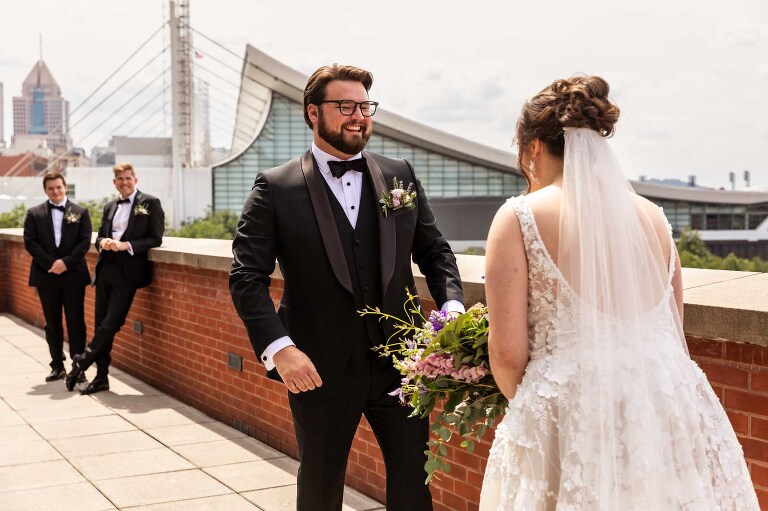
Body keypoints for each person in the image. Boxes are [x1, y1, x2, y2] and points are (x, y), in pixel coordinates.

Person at [479, 76, 759, 510]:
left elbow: (508, 357)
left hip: (568, 416)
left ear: (534, 147)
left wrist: (543, 412)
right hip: (665, 410)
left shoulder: (519, 216)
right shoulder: (653, 218)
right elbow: (673, 330)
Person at [230, 64, 464, 511]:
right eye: (345, 106)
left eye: (364, 106)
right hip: (317, 367)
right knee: (319, 484)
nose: (358, 116)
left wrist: (451, 311)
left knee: (415, 481)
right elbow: (245, 276)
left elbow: (434, 251)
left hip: (405, 363)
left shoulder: (400, 175)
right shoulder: (275, 188)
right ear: (312, 113)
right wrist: (281, 349)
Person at [66, 162, 164, 395]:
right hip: (105, 269)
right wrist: (104, 242)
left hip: (128, 273)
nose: (125, 182)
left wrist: (126, 245)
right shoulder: (110, 206)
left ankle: (82, 361)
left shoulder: (150, 203)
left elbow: (155, 238)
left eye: (128, 178)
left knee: (111, 323)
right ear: (115, 183)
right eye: (120, 179)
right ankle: (101, 378)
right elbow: (100, 235)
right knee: (102, 324)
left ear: (135, 180)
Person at [23, 171, 92, 383]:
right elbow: (30, 242)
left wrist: (66, 263)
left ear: (65, 187)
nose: (56, 191)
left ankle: (78, 367)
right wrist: (52, 264)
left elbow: (84, 241)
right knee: (52, 323)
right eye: (51, 188)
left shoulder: (80, 212)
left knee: (76, 322)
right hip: (47, 275)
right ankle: (57, 365)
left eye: (59, 187)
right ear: (46, 190)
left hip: (73, 276)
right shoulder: (34, 214)